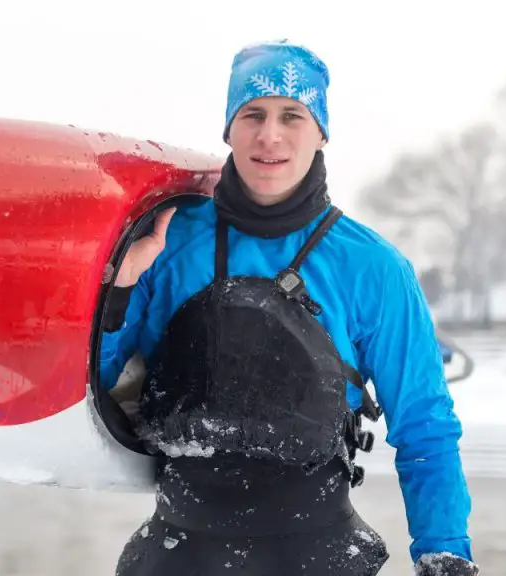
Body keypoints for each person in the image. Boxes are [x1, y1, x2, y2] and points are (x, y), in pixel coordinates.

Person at [99, 40, 479, 575]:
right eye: (251, 114)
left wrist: (444, 553)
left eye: (291, 116)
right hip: (176, 557)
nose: (269, 134)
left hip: (319, 557)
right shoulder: (164, 245)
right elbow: (96, 385)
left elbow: (424, 425)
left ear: (321, 131)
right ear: (228, 129)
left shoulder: (373, 268)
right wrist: (121, 286)